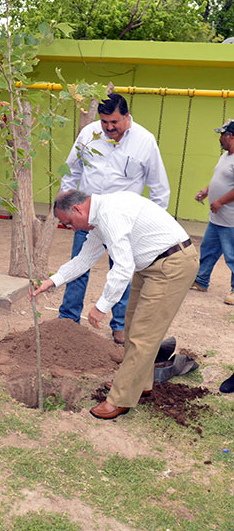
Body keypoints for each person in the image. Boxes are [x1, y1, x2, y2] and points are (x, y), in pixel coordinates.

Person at [32, 189, 198, 419]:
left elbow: (122, 267)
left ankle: (121, 399)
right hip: (150, 265)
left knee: (143, 335)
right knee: (132, 327)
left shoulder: (110, 215)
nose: (71, 228)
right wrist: (52, 281)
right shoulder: (98, 218)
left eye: (69, 222)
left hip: (172, 264)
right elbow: (84, 258)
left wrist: (101, 307)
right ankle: (140, 383)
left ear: (79, 209)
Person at [59, 93, 170, 345]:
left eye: (115, 123)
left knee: (121, 269)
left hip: (124, 223)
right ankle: (67, 319)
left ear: (127, 117)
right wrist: (66, 205)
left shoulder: (145, 141)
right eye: (104, 122)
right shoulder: (89, 134)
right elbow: (71, 170)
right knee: (79, 266)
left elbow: (159, 188)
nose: (109, 128)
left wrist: (148, 224)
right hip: (87, 218)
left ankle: (120, 325)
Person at [191, 119, 234, 308]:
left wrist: (220, 201)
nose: (220, 139)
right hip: (217, 217)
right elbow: (218, 178)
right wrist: (206, 191)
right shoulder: (225, 156)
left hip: (230, 219)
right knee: (208, 249)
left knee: (232, 256)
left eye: (222, 135)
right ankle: (201, 281)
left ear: (231, 136)